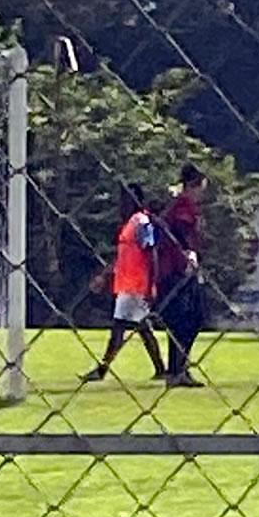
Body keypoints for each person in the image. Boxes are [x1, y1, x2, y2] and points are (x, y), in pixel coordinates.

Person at [82, 183, 167, 382]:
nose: (122, 203)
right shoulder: (131, 223)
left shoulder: (141, 222)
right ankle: (161, 369)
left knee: (119, 327)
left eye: (127, 199)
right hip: (129, 283)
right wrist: (104, 275)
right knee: (143, 328)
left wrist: (150, 285)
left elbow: (151, 252)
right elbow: (121, 257)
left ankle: (102, 370)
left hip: (137, 285)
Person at [156, 164, 207, 388]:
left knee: (188, 319)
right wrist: (189, 252)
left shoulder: (180, 204)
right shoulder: (183, 205)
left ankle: (178, 368)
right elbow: (180, 230)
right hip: (178, 270)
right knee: (188, 319)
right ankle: (177, 369)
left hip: (178, 269)